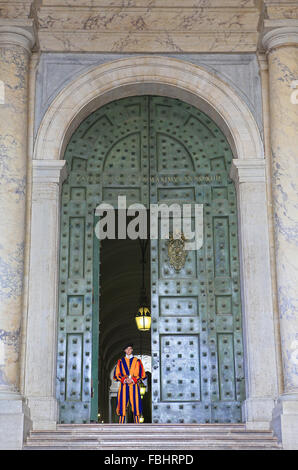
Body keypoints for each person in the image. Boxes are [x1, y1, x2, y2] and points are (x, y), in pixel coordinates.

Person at [113, 343, 146, 423]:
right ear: (124, 350)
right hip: (124, 386)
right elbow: (116, 374)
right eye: (127, 349)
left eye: (130, 348)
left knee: (136, 404)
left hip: (134, 386)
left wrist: (133, 379)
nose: (128, 350)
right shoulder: (120, 362)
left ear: (132, 350)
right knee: (122, 404)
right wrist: (124, 379)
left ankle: (137, 424)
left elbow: (142, 374)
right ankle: (121, 424)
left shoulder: (138, 361)